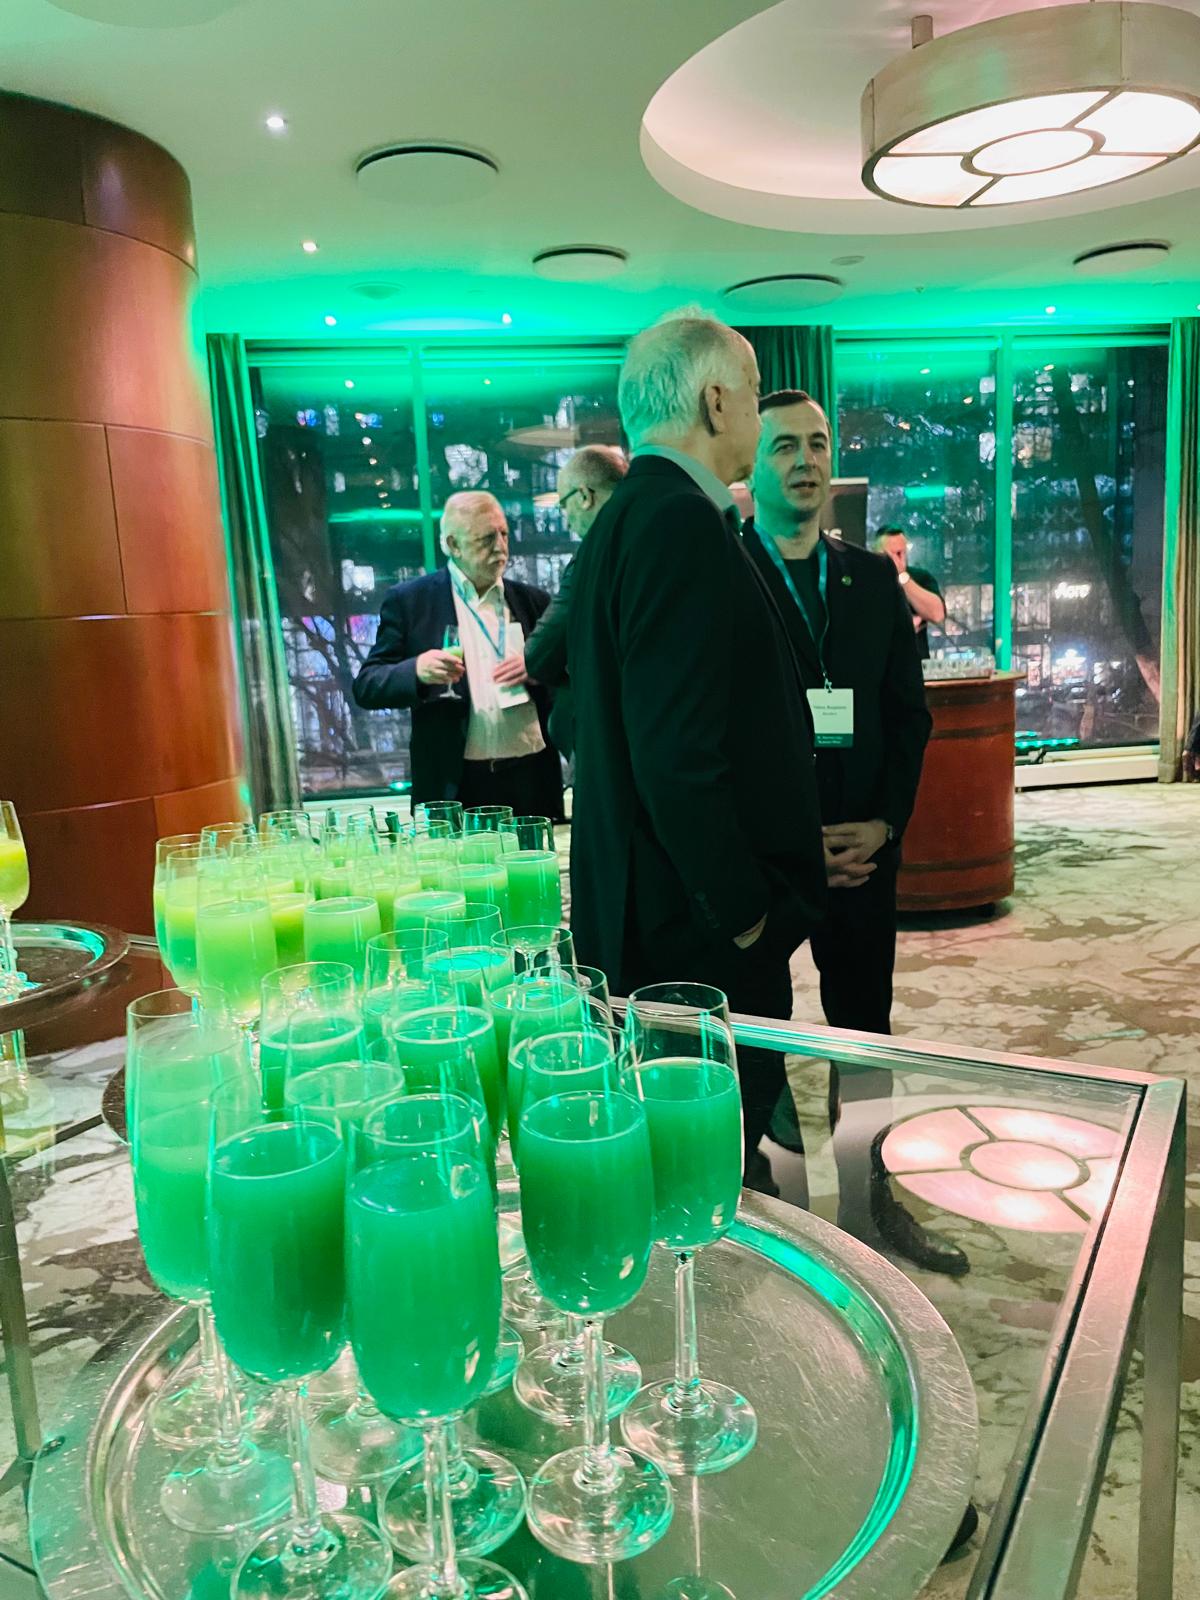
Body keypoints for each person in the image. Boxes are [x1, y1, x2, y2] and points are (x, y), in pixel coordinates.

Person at [567, 314, 826, 1184]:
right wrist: (747, 912)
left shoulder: (625, 517)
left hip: (651, 915)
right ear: (717, 401)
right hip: (694, 938)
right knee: (712, 1168)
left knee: (686, 1158)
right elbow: (676, 756)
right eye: (752, 392)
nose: (755, 409)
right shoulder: (676, 521)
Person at [745, 390, 967, 1276]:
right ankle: (778, 1217)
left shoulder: (871, 579)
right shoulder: (727, 575)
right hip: (768, 862)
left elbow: (907, 717)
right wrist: (795, 842)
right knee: (757, 1036)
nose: (805, 460)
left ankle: (870, 1206)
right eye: (783, 446)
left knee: (864, 1036)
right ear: (750, 464)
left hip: (864, 855)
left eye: (817, 443)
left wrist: (883, 823)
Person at [353, 490, 564, 820]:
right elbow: (367, 685)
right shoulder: (411, 602)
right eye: (486, 538)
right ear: (453, 545)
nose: (501, 547)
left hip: (531, 779)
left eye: (504, 534)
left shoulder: (533, 601)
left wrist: (539, 668)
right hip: (457, 786)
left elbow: (573, 672)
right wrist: (416, 670)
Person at [524, 445, 628, 763]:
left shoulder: (593, 555)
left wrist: (577, 672)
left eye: (563, 504)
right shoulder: (656, 535)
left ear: (584, 495)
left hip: (609, 738)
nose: (566, 518)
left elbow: (539, 656)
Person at [875, 527, 946, 660]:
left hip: (915, 662)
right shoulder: (864, 580)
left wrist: (902, 576)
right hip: (877, 662)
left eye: (901, 553)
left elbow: (937, 615)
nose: (898, 558)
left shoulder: (920, 577)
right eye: (892, 554)